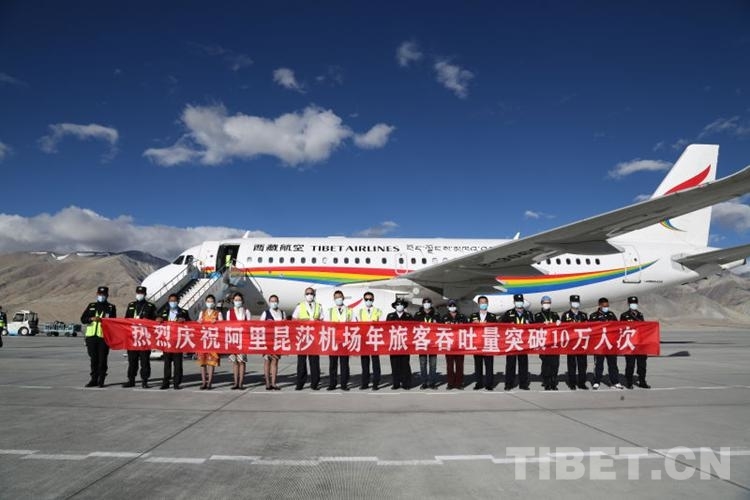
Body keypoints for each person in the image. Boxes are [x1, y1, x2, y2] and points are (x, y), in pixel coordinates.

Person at [81, 286, 117, 387]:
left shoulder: (111, 307)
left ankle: (101, 379)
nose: (102, 296)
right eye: (100, 294)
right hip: (91, 337)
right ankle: (93, 379)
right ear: (97, 294)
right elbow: (83, 319)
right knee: (93, 359)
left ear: (107, 295)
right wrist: (91, 319)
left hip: (103, 338)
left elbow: (113, 322)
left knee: (102, 360)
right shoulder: (91, 306)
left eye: (104, 294)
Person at [123, 286, 157, 388]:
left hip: (144, 338)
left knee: (145, 361)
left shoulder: (150, 306)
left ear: (145, 294)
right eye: (138, 293)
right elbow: (126, 319)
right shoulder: (131, 305)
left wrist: (149, 320)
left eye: (141, 293)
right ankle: (131, 380)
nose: (139, 295)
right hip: (132, 338)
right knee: (132, 361)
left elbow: (155, 321)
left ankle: (145, 381)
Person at [292, 287, 323, 390]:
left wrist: (317, 321)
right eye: (307, 293)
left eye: (311, 293)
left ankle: (315, 383)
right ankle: (300, 383)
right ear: (305, 295)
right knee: (301, 362)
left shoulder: (319, 306)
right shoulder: (300, 306)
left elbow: (322, 320)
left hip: (314, 337)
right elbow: (294, 320)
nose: (309, 295)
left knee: (314, 362)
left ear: (314, 295)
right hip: (303, 337)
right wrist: (302, 321)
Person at [501, 293, 533, 391]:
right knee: (510, 364)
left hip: (524, 343)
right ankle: (509, 384)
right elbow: (501, 326)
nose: (519, 303)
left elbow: (535, 326)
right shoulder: (508, 313)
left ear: (523, 302)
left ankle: (523, 384)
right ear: (514, 302)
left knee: (523, 364)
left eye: (520, 301)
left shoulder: (528, 314)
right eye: (517, 301)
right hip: (512, 343)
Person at [157, 293, 190, 389]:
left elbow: (190, 323)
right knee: (167, 363)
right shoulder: (164, 312)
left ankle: (176, 383)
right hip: (167, 342)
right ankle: (166, 382)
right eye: (171, 301)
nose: (173, 302)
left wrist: (184, 320)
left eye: (174, 301)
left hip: (178, 342)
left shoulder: (183, 312)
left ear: (178, 301)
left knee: (178, 364)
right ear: (168, 301)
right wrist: (158, 319)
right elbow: (156, 322)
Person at [590, 297, 623, 390]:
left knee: (613, 364)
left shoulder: (611, 315)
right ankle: (596, 381)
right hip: (599, 344)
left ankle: (615, 381)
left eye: (607, 305)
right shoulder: (593, 316)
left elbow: (617, 327)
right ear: (600, 305)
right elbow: (590, 329)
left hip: (610, 344)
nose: (606, 307)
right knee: (598, 364)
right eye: (604, 306)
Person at [620, 296, 650, 389]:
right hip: (630, 344)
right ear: (628, 304)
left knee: (642, 364)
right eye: (632, 303)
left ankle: (642, 381)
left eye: (635, 303)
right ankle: (629, 382)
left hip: (640, 343)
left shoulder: (640, 315)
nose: (634, 305)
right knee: (630, 364)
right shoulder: (624, 315)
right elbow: (621, 329)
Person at [325, 290, 352, 391]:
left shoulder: (349, 310)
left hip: (344, 340)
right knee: (333, 364)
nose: (338, 299)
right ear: (334, 299)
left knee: (344, 364)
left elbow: (353, 323)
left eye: (340, 297)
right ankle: (332, 383)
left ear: (343, 298)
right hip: (333, 341)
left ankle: (344, 384)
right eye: (336, 297)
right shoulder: (330, 311)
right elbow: (326, 325)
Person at [469, 296, 497, 391]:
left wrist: (488, 324)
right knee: (478, 365)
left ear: (487, 304)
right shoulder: (473, 316)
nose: (483, 304)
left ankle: (489, 384)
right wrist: (473, 324)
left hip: (488, 343)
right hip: (477, 343)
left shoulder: (492, 316)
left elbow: (497, 327)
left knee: (489, 365)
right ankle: (479, 383)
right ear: (478, 304)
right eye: (481, 302)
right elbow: (468, 328)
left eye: (485, 302)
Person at [356, 291, 382, 390]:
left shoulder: (378, 311)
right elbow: (356, 325)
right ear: (364, 300)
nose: (368, 301)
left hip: (374, 338)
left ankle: (376, 382)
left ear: (373, 300)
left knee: (375, 362)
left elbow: (382, 324)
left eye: (370, 299)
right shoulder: (360, 311)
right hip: (364, 339)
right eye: (366, 299)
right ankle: (365, 383)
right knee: (364, 362)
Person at [561, 294, 588, 390]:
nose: (575, 303)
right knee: (572, 364)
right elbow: (562, 329)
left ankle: (582, 383)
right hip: (571, 343)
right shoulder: (565, 315)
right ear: (570, 303)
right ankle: (572, 383)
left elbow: (589, 328)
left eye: (577, 302)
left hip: (581, 343)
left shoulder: (583, 315)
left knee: (582, 364)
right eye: (573, 302)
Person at [225, 292, 251, 390]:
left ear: (242, 301)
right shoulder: (229, 312)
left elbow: (249, 325)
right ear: (233, 301)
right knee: (235, 362)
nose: (238, 301)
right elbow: (227, 325)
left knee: (242, 361)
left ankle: (241, 383)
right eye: (236, 300)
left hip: (243, 339)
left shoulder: (246, 311)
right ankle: (235, 382)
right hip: (233, 339)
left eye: (239, 300)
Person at [534, 295, 561, 390]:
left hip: (554, 343)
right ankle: (546, 382)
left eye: (548, 303)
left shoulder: (555, 315)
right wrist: (541, 325)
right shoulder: (537, 316)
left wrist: (559, 324)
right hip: (544, 343)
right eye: (545, 303)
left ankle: (553, 381)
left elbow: (560, 328)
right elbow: (533, 328)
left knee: (555, 363)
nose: (546, 304)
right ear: (541, 304)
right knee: (546, 363)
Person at [386, 298, 414, 389]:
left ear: (404, 306)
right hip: (394, 343)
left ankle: (406, 383)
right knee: (394, 364)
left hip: (405, 343)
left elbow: (413, 329)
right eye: (397, 304)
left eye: (401, 304)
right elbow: (386, 329)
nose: (399, 306)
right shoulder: (390, 316)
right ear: (395, 306)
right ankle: (396, 383)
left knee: (405, 364)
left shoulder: (408, 316)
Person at [414, 297, 441, 389]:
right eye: (425, 303)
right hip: (422, 341)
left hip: (433, 342)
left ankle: (432, 382)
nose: (427, 304)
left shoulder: (436, 314)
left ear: (431, 304)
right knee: (423, 363)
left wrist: (436, 323)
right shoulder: (418, 315)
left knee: (433, 364)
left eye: (428, 302)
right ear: (422, 304)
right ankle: (424, 382)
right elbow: (413, 327)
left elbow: (441, 327)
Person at [260, 294, 285, 390]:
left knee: (275, 361)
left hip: (277, 340)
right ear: (269, 302)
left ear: (278, 302)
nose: (274, 303)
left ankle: (274, 383)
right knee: (267, 361)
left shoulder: (282, 313)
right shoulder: (265, 313)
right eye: (272, 301)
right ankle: (267, 382)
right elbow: (260, 326)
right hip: (267, 340)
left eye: (275, 301)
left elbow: (285, 326)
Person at [196, 294, 221, 390]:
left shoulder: (217, 313)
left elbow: (223, 325)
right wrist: (198, 322)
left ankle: (209, 382)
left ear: (214, 303)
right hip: (203, 340)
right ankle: (203, 382)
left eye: (211, 301)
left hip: (213, 340)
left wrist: (217, 322)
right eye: (208, 301)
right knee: (203, 362)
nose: (210, 303)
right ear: (205, 302)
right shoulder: (202, 313)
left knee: (211, 362)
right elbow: (197, 326)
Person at [442, 299, 468, 389]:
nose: (452, 307)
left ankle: (459, 383)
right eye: (450, 306)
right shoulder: (444, 317)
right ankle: (450, 383)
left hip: (459, 344)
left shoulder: (462, 317)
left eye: (454, 305)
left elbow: (468, 328)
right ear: (447, 307)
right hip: (449, 345)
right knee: (449, 366)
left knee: (459, 365)